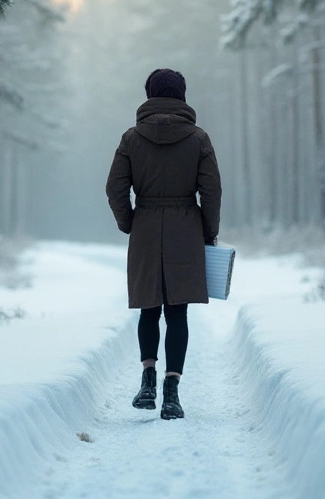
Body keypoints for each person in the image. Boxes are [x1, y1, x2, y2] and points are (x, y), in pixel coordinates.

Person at [105, 68, 222, 420]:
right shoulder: (199, 138)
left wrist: (129, 222)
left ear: (149, 94)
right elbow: (212, 190)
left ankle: (147, 381)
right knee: (178, 312)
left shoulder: (131, 138)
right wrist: (207, 232)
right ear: (182, 95)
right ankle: (172, 393)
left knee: (148, 308)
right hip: (185, 227)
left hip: (145, 226)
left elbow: (114, 189)